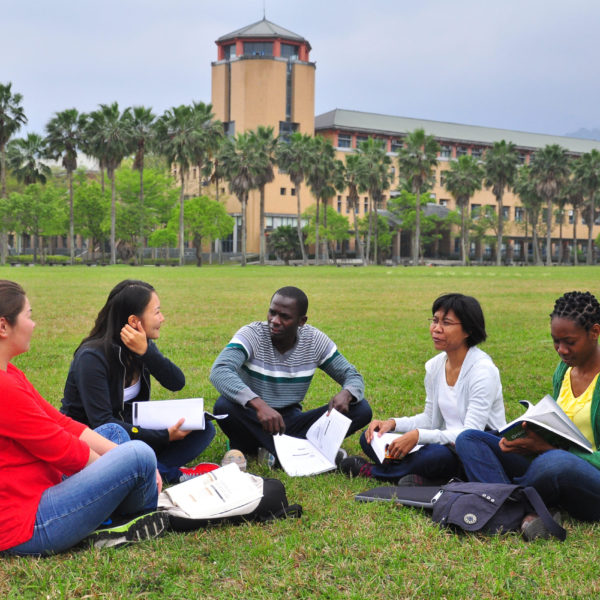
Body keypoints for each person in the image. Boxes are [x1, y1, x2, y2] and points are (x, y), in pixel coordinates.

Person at [0, 280, 167, 556]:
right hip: (27, 523)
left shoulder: (11, 374)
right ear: (3, 326)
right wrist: (122, 467)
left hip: (39, 486)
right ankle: (128, 517)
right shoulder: (4, 388)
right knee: (139, 455)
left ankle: (112, 512)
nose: (34, 324)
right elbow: (63, 449)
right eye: (29, 316)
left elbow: (61, 422)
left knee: (114, 434)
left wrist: (116, 462)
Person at [455, 291, 600, 539]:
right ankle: (518, 506)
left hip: (586, 476)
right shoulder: (565, 370)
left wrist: (547, 450)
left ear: (595, 332)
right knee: (470, 439)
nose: (561, 350)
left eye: (569, 342)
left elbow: (561, 454)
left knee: (554, 463)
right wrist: (530, 436)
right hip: (551, 459)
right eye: (556, 341)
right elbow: (560, 425)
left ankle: (508, 500)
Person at [340, 293, 505, 484]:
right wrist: (392, 424)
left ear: (468, 330)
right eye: (434, 320)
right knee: (370, 439)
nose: (436, 329)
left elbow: (471, 434)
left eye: (446, 323)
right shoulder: (435, 366)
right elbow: (429, 419)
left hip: (472, 452)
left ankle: (376, 472)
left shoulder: (482, 371)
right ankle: (424, 477)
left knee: (435, 456)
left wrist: (419, 436)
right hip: (442, 442)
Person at [61, 280, 215, 483]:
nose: (163, 318)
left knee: (202, 427)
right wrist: (163, 436)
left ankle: (150, 469)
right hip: (100, 442)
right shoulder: (92, 358)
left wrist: (146, 352)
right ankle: (161, 471)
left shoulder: (141, 346)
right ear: (135, 321)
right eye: (157, 312)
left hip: (132, 431)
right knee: (120, 436)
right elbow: (102, 423)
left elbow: (176, 382)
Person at [210, 286, 372, 460]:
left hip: (290, 421)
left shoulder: (315, 340)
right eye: (272, 312)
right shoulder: (252, 334)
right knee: (224, 406)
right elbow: (219, 370)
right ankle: (306, 451)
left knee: (361, 409)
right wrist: (259, 404)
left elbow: (352, 375)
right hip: (254, 417)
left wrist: (347, 394)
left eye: (284, 317)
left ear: (302, 321)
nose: (275, 321)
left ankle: (272, 451)